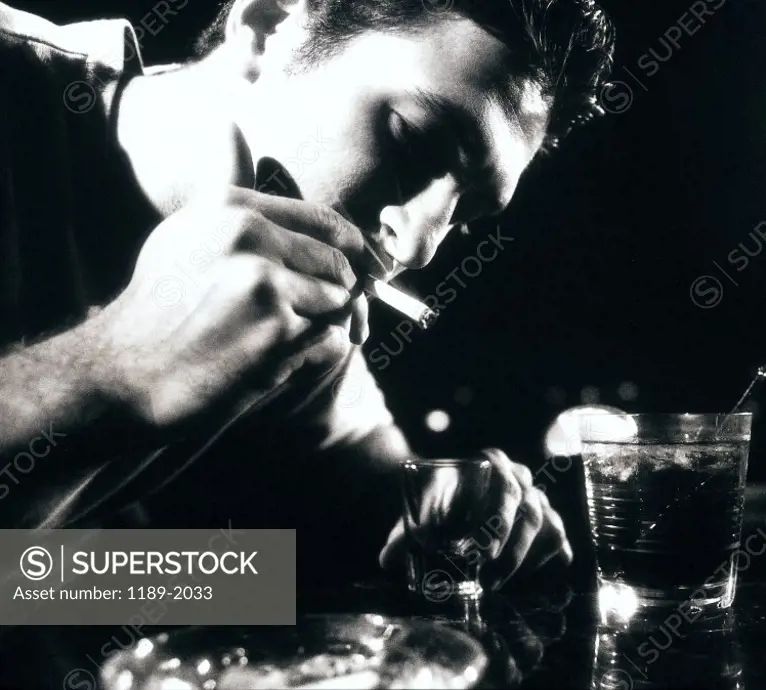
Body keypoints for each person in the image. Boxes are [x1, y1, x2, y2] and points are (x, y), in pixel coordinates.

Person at [0, 0, 615, 589]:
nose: (421, 245)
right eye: (415, 141)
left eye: (465, 213)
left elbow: (373, 494)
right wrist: (112, 370)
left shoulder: (292, 305)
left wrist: (449, 520)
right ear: (267, 24)